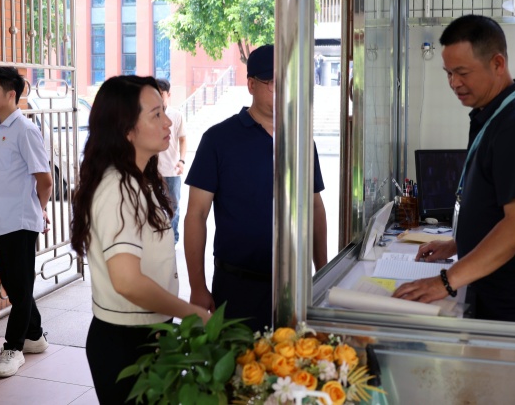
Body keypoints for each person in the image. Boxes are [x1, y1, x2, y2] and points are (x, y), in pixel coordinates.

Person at [393, 15, 515, 325]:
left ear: (498, 63)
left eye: (462, 72)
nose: (454, 83)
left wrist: (445, 281)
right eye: (449, 73)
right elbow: (494, 206)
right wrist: (457, 244)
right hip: (495, 293)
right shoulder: (492, 116)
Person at [71, 76, 211, 403]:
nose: (167, 122)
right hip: (125, 342)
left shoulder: (138, 177)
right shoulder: (118, 187)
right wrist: (192, 313)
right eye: (156, 115)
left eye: (164, 111)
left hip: (146, 331)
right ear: (127, 130)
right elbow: (128, 281)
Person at [183, 44, 328, 332]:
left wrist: (322, 273)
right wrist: (197, 286)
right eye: (274, 83)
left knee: (293, 358)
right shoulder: (218, 140)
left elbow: (315, 206)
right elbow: (196, 215)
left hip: (294, 286)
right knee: (237, 359)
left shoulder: (301, 140)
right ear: (251, 85)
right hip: (237, 287)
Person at [0, 66, 52, 377]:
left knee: (20, 288)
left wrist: (40, 209)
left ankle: (14, 348)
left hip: (20, 221)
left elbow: (45, 180)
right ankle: (34, 336)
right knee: (13, 284)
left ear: (11, 94)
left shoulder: (25, 129)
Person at [155, 78, 187, 243]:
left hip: (172, 170)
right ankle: (156, 238)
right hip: (153, 171)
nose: (158, 97)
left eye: (161, 94)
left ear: (169, 94)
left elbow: (183, 139)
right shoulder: (147, 115)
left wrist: (182, 161)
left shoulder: (176, 115)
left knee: (173, 207)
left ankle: (172, 239)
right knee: (153, 206)